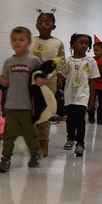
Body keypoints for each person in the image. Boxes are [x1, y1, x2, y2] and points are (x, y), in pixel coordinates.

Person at [0, 27, 49, 172]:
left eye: (21, 39)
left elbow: (43, 76)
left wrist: (42, 81)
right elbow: (6, 82)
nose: (17, 42)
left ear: (29, 42)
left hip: (27, 106)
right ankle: (6, 158)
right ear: (10, 42)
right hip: (11, 105)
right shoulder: (9, 62)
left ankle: (35, 152)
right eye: (14, 39)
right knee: (9, 134)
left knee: (29, 133)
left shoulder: (34, 61)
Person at [31, 10, 65, 157]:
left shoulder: (57, 43)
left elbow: (61, 63)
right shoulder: (31, 41)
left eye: (47, 23)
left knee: (45, 111)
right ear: (36, 25)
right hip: (31, 80)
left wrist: (50, 67)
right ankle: (33, 141)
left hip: (49, 80)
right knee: (32, 110)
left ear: (53, 26)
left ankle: (44, 142)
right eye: (40, 23)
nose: (43, 26)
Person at [62, 34, 99, 157]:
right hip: (69, 95)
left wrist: (91, 100)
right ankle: (70, 138)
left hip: (83, 95)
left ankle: (80, 143)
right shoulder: (67, 61)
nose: (84, 45)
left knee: (80, 119)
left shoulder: (90, 61)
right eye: (81, 43)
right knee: (70, 118)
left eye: (86, 43)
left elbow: (93, 81)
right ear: (73, 44)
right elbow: (63, 76)